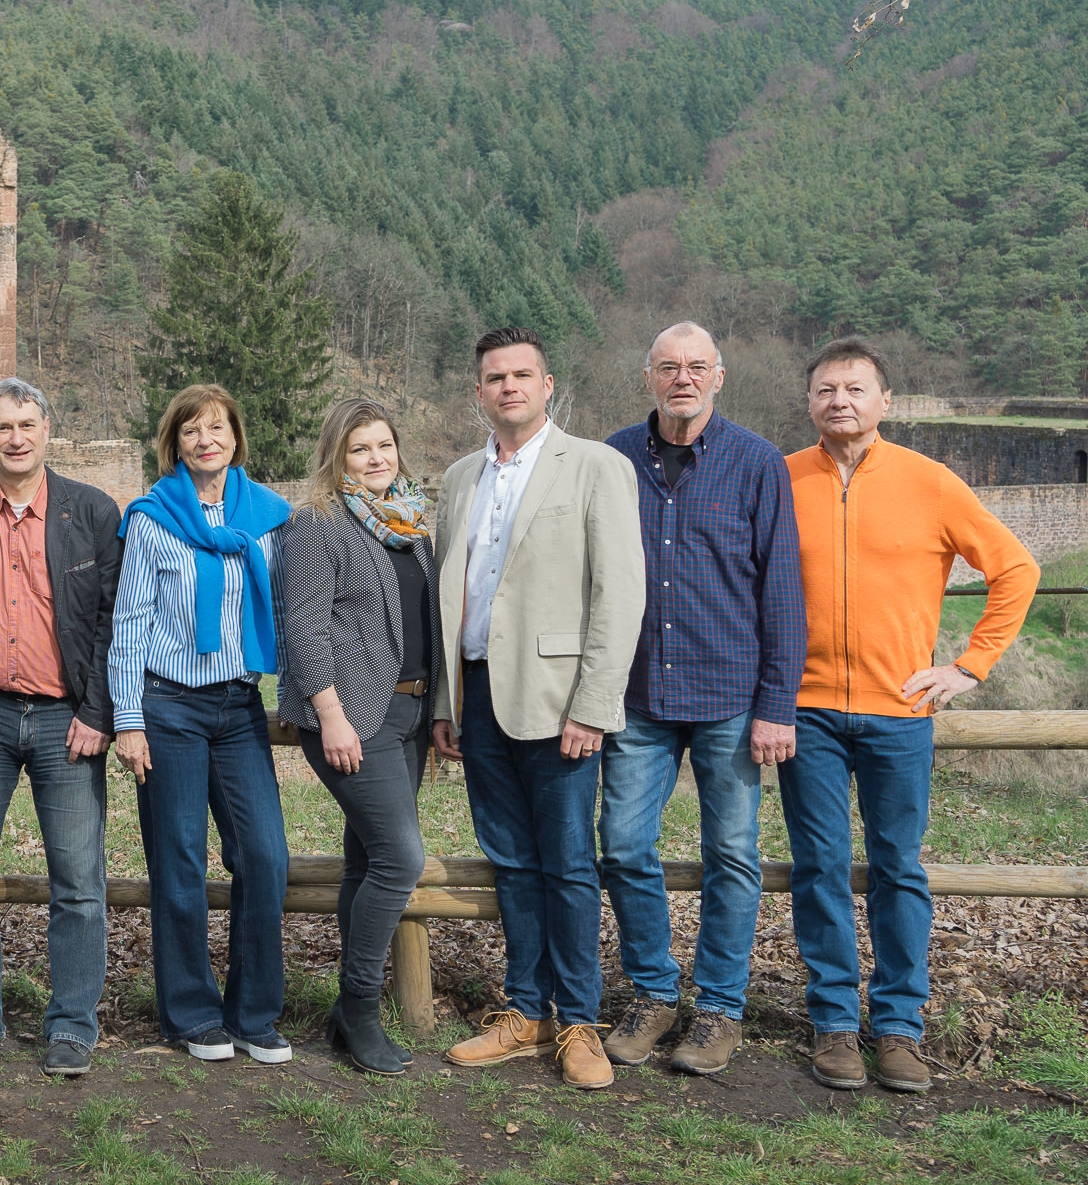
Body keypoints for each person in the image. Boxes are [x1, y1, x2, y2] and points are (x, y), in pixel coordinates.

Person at [782, 336, 1036, 1094]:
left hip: (901, 711)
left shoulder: (931, 482)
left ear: (884, 401)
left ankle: (898, 1028)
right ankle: (832, 1025)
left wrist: (967, 665)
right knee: (819, 866)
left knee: (899, 867)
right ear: (810, 403)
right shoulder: (782, 477)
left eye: (856, 389)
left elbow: (1015, 568)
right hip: (807, 712)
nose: (840, 401)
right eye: (827, 389)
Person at [430, 327, 644, 1090]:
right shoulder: (459, 478)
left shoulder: (594, 466)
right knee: (513, 862)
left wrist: (593, 704)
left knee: (567, 865)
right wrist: (448, 700)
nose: (509, 387)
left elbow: (620, 594)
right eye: (495, 377)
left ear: (548, 385)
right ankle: (527, 1012)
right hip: (480, 692)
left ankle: (579, 1019)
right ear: (479, 391)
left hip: (559, 703)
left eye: (523, 375)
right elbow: (449, 597)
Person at [597, 323, 806, 1076]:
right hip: (637, 693)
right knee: (621, 844)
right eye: (667, 367)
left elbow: (781, 586)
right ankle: (653, 993)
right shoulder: (613, 457)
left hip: (728, 694)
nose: (681, 378)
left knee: (732, 853)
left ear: (719, 377)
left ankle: (718, 1009)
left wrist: (777, 703)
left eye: (696, 367)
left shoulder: (756, 462)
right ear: (647, 376)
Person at [0, 378, 123, 1078]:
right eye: (2, 426)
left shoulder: (92, 511)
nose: (16, 437)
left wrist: (99, 710)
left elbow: (109, 621)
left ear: (47, 429)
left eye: (27, 424)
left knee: (77, 877)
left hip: (69, 718)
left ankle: (71, 1023)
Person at [109, 383, 295, 1064]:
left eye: (216, 427)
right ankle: (190, 1015)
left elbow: (293, 612)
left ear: (236, 438)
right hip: (168, 707)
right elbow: (128, 626)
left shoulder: (272, 519)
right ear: (175, 443)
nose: (205, 439)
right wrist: (129, 721)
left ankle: (254, 1014)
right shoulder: (152, 518)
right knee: (179, 860)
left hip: (239, 708)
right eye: (191, 430)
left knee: (265, 857)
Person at [275, 398, 442, 1076]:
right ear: (336, 457)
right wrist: (331, 712)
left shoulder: (409, 524)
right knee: (400, 861)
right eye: (359, 450)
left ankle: (351, 1014)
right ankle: (359, 1008)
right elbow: (304, 626)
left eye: (384, 446)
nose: (376, 459)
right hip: (349, 715)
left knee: (368, 862)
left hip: (409, 715)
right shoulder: (317, 524)